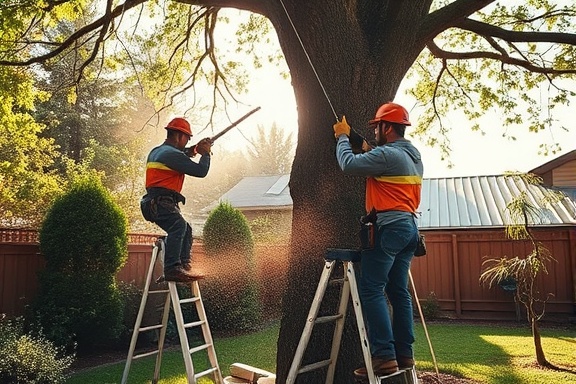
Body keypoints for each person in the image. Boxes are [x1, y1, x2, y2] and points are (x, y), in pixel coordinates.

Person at [332, 102, 424, 379]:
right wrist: (356, 136)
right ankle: (404, 353)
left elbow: (348, 164)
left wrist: (341, 138)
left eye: (377, 128)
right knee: (399, 293)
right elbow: (375, 154)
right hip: (409, 229)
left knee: (372, 289)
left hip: (389, 228)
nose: (375, 133)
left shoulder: (387, 155)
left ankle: (384, 357)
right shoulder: (412, 155)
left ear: (386, 127)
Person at [140, 117, 212, 283]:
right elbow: (201, 171)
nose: (187, 141)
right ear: (179, 136)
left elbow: (179, 155)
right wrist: (205, 153)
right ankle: (172, 268)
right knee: (178, 226)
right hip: (161, 202)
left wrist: (193, 150)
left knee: (185, 229)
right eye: (187, 138)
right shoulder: (172, 155)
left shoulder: (158, 151)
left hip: (155, 202)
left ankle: (184, 266)